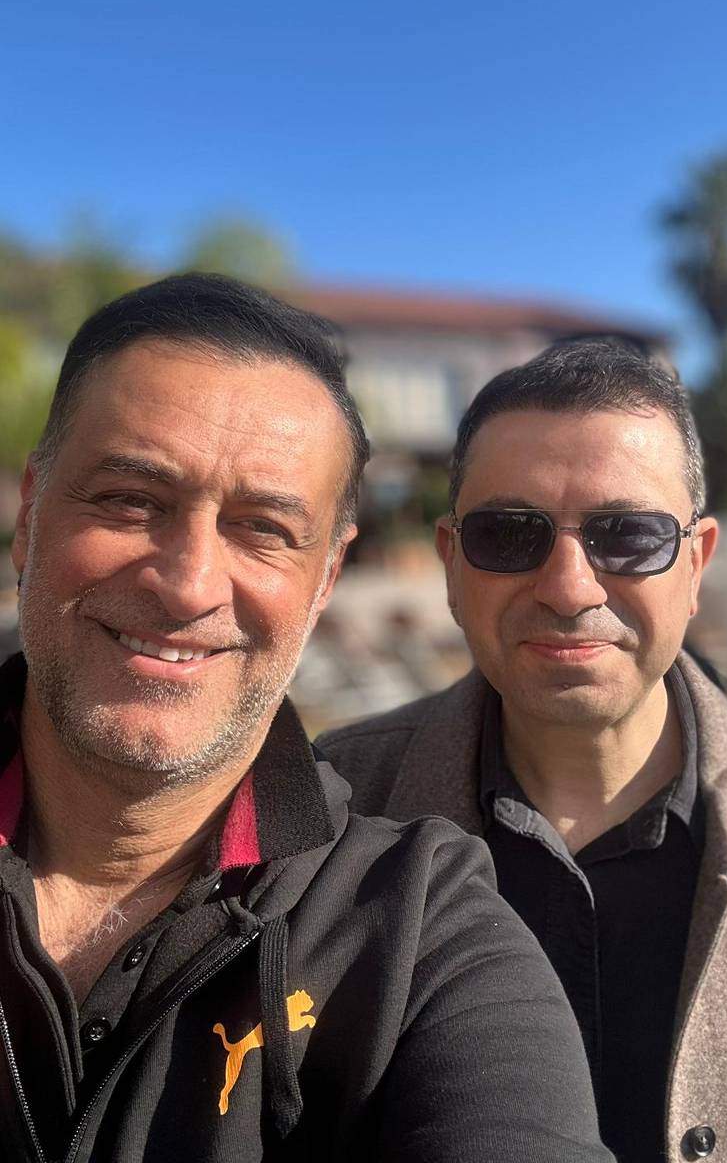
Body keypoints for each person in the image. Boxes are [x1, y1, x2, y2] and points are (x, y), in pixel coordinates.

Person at [0, 276, 613, 1163]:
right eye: (130, 500)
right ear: (31, 515)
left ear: (326, 579)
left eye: (263, 528)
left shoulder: (414, 936)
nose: (189, 585)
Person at [318, 338, 727, 1163]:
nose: (570, 587)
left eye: (628, 535)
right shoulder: (327, 812)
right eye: (510, 534)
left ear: (696, 564)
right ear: (451, 563)